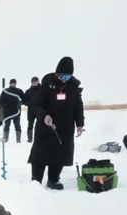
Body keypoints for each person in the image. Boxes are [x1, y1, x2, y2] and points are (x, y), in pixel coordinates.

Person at [28, 56, 85, 190]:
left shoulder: (74, 87)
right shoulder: (47, 84)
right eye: (61, 75)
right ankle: (36, 179)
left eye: (67, 76)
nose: (63, 78)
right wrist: (44, 115)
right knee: (40, 153)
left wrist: (80, 124)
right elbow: (38, 105)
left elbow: (78, 106)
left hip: (65, 126)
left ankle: (53, 180)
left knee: (60, 153)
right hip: (46, 124)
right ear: (56, 72)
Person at [0, 79, 26, 143]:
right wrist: (5, 106)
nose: (13, 84)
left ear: (16, 83)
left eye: (14, 83)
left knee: (17, 125)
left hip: (16, 112)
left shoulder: (19, 91)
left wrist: (21, 103)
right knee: (7, 125)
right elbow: (1, 101)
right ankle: (6, 139)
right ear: (10, 84)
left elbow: (24, 99)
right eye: (12, 83)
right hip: (7, 113)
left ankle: (18, 140)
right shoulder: (5, 91)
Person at [23, 77, 42, 143]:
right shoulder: (28, 91)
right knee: (30, 125)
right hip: (31, 110)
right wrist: (30, 103)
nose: (34, 83)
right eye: (33, 82)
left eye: (35, 81)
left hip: (40, 110)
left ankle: (39, 138)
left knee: (40, 125)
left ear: (38, 81)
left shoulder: (42, 89)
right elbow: (24, 101)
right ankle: (29, 139)